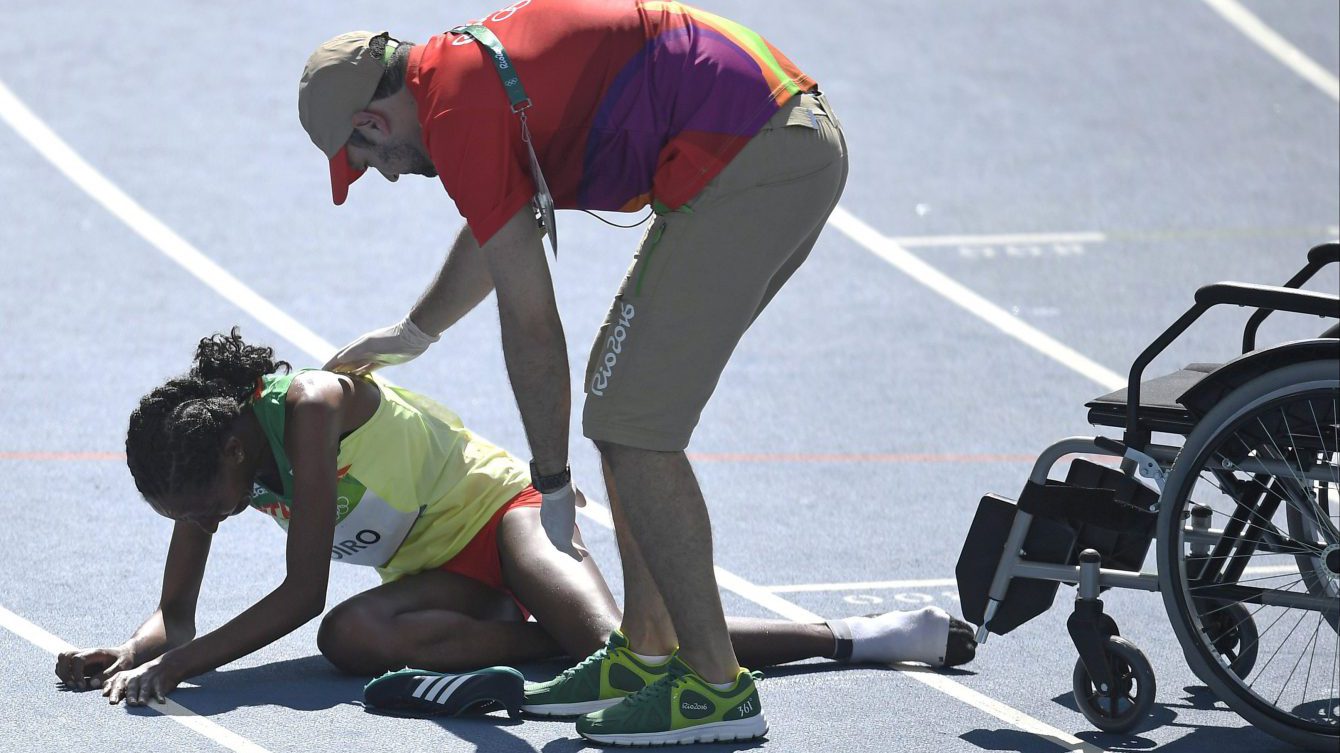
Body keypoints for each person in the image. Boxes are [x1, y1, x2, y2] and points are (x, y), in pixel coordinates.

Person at [299, 1, 853, 744]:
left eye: (367, 162)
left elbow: (530, 319)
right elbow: (500, 226)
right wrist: (414, 331)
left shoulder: (457, 106)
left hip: (755, 152)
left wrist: (551, 480)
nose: (388, 175)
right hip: (772, 141)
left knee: (632, 422)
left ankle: (716, 687)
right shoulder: (455, 75)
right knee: (619, 399)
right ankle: (645, 655)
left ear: (370, 123)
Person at [54, 330, 976, 712]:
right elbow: (176, 611)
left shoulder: (308, 406)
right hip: (438, 570)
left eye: (209, 507)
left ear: (228, 455)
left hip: (506, 515)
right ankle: (533, 649)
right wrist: (134, 649)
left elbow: (298, 588)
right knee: (353, 633)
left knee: (627, 659)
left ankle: (859, 635)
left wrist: (179, 668)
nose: (212, 520)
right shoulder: (215, 471)